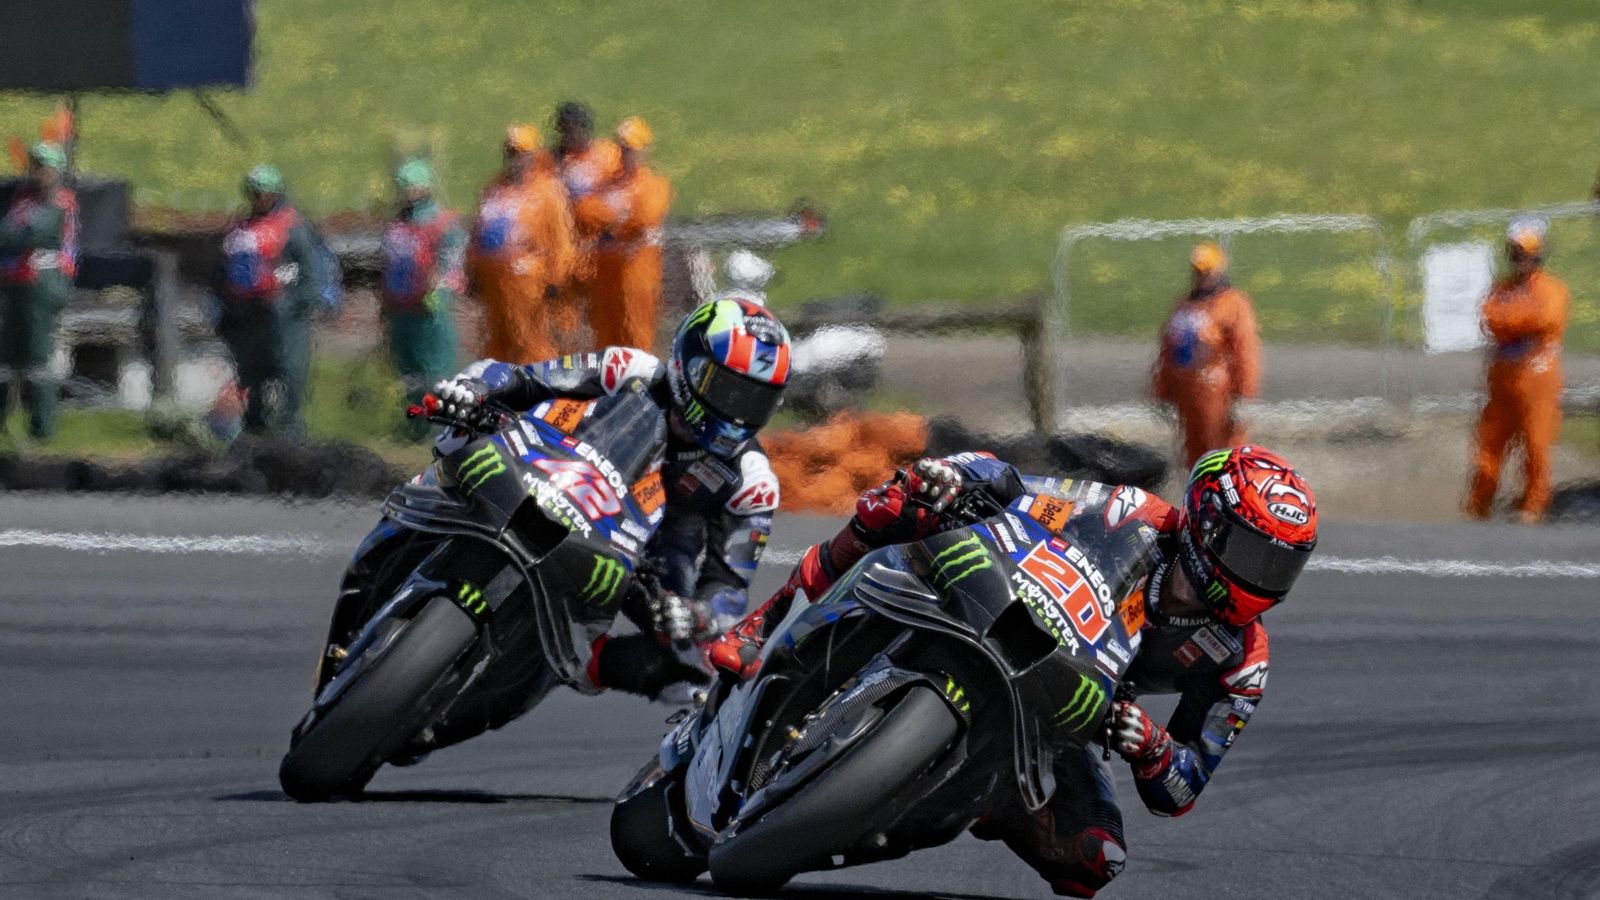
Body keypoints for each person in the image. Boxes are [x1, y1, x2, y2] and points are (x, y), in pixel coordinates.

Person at [708, 445, 1318, 898]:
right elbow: (1022, 486)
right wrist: (960, 478)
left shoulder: (1242, 658)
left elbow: (1183, 788)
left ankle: (985, 799)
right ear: (1208, 524)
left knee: (1093, 860)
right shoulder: (1132, 513)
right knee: (903, 497)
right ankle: (766, 620)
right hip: (1001, 599)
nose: (1261, 580)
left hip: (1072, 702)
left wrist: (1152, 747)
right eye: (1253, 555)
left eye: (1278, 568)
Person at [431, 297, 792, 699]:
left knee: (698, 669)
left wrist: (695, 615)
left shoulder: (753, 481)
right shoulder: (630, 369)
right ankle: (421, 512)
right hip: (557, 475)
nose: (735, 412)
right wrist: (474, 393)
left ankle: (574, 661)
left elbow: (729, 591)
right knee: (461, 421)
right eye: (724, 389)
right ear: (687, 365)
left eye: (753, 401)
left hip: (641, 567)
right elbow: (530, 379)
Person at [1465, 222, 1570, 523]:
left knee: (1536, 443)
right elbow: (1489, 318)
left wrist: (1512, 321)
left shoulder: (1553, 289)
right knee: (1489, 443)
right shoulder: (1502, 288)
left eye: (1527, 253)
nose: (1522, 259)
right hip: (1502, 375)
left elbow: (1545, 319)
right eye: (1517, 253)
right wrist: (1516, 322)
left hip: (1537, 376)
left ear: (1538, 254)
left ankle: (1533, 505)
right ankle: (1479, 505)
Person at [214, 164, 322, 438]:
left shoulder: (294, 227)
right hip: (247, 315)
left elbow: (309, 272)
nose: (257, 198)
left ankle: (289, 432)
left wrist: (297, 303)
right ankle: (254, 428)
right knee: (251, 375)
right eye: (253, 192)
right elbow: (222, 270)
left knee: (289, 373)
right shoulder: (241, 229)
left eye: (262, 192)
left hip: (284, 315)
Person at [467, 125, 577, 365]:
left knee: (531, 347)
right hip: (494, 285)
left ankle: (538, 395)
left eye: (521, 153)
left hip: (530, 285)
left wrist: (556, 281)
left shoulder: (547, 191)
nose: (515, 159)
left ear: (533, 156)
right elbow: (478, 233)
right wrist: (472, 271)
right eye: (510, 153)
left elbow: (561, 242)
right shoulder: (494, 188)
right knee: (496, 347)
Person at [1151, 242, 1262, 467]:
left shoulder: (1233, 304)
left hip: (1219, 392)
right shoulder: (1183, 305)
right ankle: (1199, 497)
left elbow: (1244, 351)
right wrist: (1162, 390)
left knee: (1225, 454)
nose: (1202, 276)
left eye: (1207, 271)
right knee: (1195, 457)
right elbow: (1167, 351)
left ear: (1219, 270)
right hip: (1187, 393)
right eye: (1198, 271)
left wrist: (1244, 393)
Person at [380, 159, 466, 440]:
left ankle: (439, 428)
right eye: (401, 187)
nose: (405, 192)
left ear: (424, 186)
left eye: (410, 186)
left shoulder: (442, 223)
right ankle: (415, 425)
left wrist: (436, 291)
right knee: (408, 371)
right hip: (399, 308)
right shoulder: (396, 224)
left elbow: (452, 264)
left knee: (434, 371)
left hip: (430, 310)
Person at [574, 116, 672, 350]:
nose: (625, 154)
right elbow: (583, 211)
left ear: (643, 150)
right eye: (622, 148)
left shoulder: (654, 184)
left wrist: (609, 218)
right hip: (605, 277)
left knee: (636, 341)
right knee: (605, 342)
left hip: (636, 277)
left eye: (630, 149)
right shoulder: (607, 183)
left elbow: (644, 217)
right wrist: (617, 217)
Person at [0, 142, 76, 441]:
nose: (38, 172)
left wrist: (9, 235)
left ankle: (42, 428)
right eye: (34, 165)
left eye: (44, 166)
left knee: (36, 358)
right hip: (14, 283)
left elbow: (26, 234)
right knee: (5, 358)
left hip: (40, 283)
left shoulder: (59, 202)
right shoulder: (21, 199)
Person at [552, 101, 623, 345]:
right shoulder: (553, 161)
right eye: (564, 130)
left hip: (600, 246)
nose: (570, 135)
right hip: (567, 247)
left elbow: (622, 193)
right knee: (564, 318)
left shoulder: (608, 154)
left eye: (574, 128)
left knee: (605, 314)